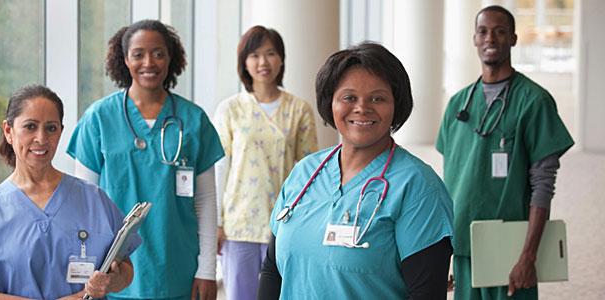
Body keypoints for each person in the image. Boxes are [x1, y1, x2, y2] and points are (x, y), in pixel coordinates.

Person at [258, 42, 454, 299]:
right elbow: (273, 270)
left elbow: (425, 294)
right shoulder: (305, 173)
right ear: (331, 103)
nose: (362, 108)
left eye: (377, 98)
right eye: (349, 97)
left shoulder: (417, 187)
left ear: (396, 104)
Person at [67, 20, 224, 299]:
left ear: (170, 58)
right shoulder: (99, 119)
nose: (149, 62)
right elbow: (83, 203)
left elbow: (205, 202)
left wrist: (207, 270)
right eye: (138, 54)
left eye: (158, 53)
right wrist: (86, 271)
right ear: (124, 59)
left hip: (178, 272)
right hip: (113, 273)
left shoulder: (194, 120)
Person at [436, 6, 574, 300]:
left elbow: (543, 186)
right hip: (464, 244)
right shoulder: (457, 105)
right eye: (483, 31)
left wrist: (528, 257)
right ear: (474, 38)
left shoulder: (534, 101)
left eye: (500, 31)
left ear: (513, 38)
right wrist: (444, 255)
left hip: (510, 246)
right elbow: (449, 184)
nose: (491, 38)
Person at [0, 85, 140, 299]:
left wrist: (111, 281)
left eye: (51, 128)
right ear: (8, 131)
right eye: (30, 127)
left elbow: (126, 270)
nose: (41, 138)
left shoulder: (94, 199)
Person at [213, 25, 318, 300]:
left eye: (270, 53)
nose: (263, 62)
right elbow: (219, 169)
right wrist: (217, 222)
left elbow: (311, 172)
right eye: (255, 55)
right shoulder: (230, 109)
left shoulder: (299, 109)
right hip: (239, 226)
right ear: (244, 62)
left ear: (281, 59)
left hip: (285, 224)